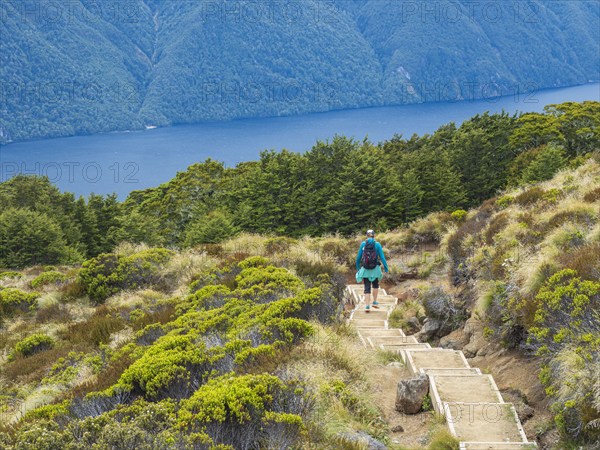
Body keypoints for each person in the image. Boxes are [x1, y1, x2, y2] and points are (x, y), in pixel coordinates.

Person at [355, 229, 389, 312]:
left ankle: (367, 306)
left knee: (367, 287)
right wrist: (386, 267)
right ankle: (374, 302)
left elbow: (358, 258)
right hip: (375, 269)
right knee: (375, 285)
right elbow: (382, 257)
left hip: (365, 269)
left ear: (366, 235)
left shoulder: (363, 244)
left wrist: (358, 268)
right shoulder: (377, 244)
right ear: (374, 235)